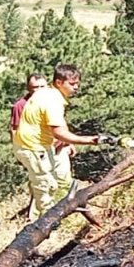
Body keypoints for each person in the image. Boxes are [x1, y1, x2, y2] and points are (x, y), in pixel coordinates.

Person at [13, 63, 121, 221]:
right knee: (46, 187)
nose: (76, 87)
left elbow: (58, 125)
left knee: (59, 182)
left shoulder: (48, 93)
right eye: (72, 84)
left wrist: (72, 142)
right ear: (58, 82)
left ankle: (62, 216)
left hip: (42, 146)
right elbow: (60, 133)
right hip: (32, 148)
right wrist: (93, 140)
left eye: (77, 83)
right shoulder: (52, 101)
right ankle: (43, 226)